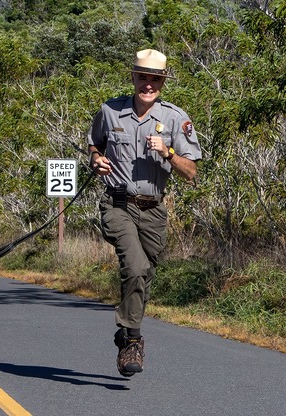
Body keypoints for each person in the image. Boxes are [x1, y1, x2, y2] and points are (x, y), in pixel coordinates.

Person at [87, 49, 202, 377]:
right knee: (135, 267)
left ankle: (124, 332)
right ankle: (133, 341)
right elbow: (94, 144)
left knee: (145, 274)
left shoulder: (176, 118)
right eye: (143, 77)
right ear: (133, 77)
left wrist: (166, 152)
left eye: (155, 79)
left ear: (162, 81)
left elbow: (191, 172)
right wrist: (96, 160)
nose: (148, 84)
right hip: (118, 205)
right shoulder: (110, 111)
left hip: (154, 210)